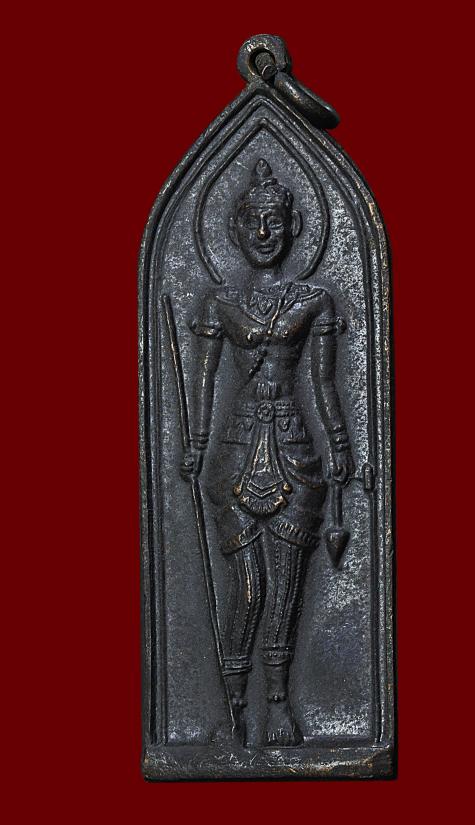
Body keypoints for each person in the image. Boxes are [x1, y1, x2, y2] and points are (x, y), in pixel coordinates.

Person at [182, 158, 354, 746]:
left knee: (286, 586)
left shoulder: (314, 300)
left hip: (294, 446)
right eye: (253, 221)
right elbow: (204, 380)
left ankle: (278, 705)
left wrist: (338, 444)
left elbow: (325, 384)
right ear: (234, 228)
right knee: (248, 586)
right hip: (234, 451)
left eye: (274, 221)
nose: (263, 233)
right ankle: (233, 708)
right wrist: (195, 444)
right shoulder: (219, 302)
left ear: (293, 227)